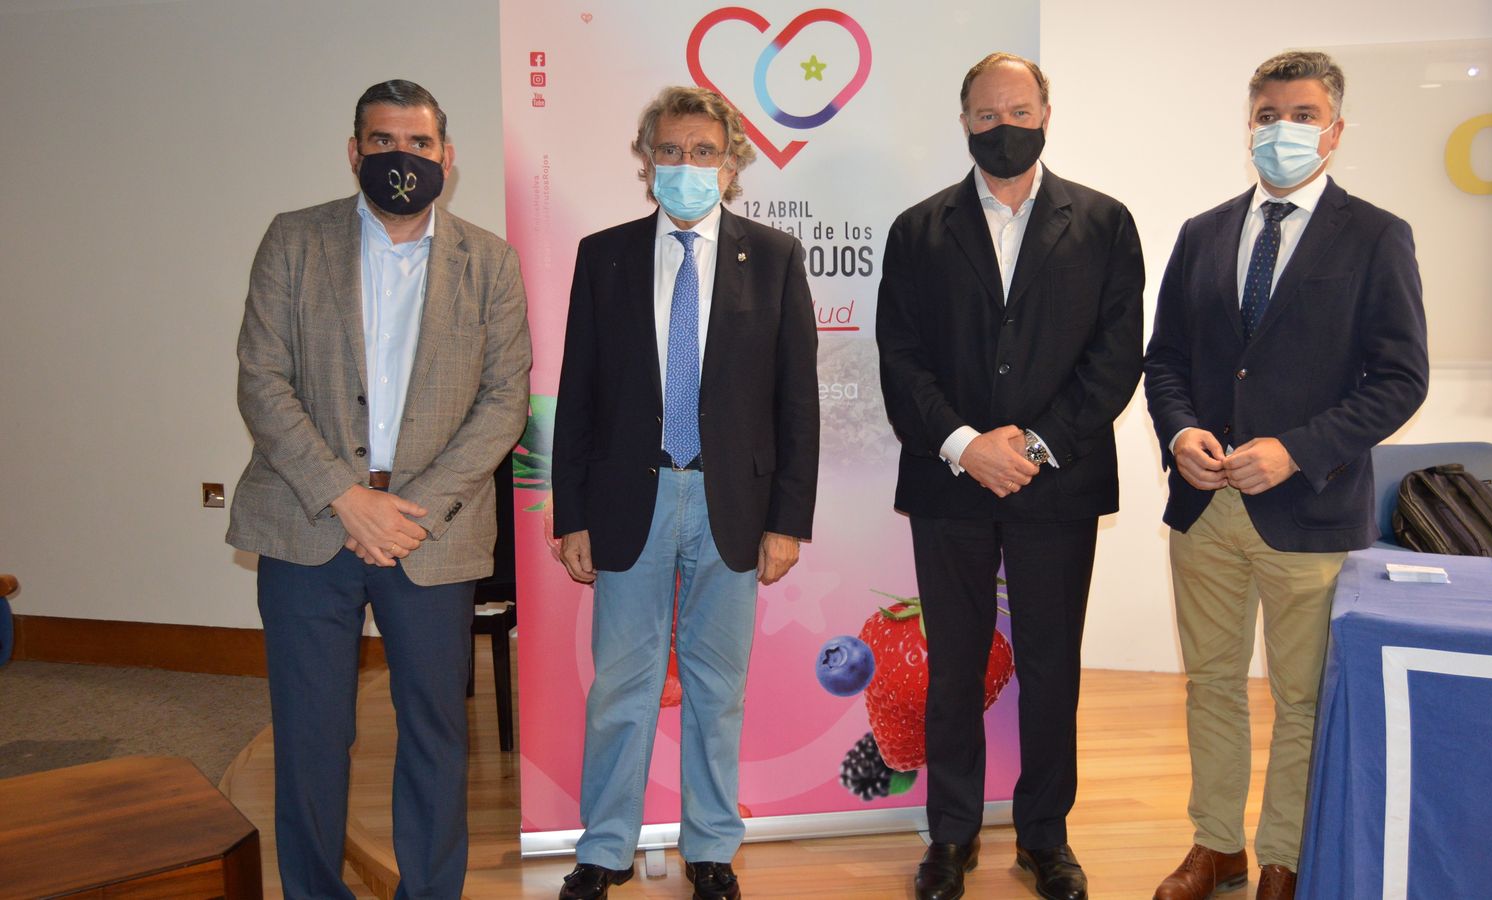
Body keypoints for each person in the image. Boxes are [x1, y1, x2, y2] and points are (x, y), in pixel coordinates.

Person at [227, 79, 532, 899]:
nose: (403, 157)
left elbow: (504, 400)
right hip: (308, 522)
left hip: (429, 533)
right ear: (355, 150)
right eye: (384, 141)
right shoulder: (294, 241)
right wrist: (344, 495)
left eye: (420, 143)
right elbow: (262, 381)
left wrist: (411, 509)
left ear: (448, 157)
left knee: (435, 733)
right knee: (311, 735)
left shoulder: (491, 263)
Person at [1143, 51, 1428, 900]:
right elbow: (1165, 362)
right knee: (1212, 688)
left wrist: (1297, 448)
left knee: (1301, 701)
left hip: (1309, 508)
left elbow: (1401, 379)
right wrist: (1182, 429)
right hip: (1205, 509)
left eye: (1301, 115)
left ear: (1334, 131)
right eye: (1267, 114)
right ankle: (1216, 845)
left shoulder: (1377, 235)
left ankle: (1283, 857)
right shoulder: (1203, 232)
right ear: (1248, 125)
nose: (1281, 131)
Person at [877, 52, 1145, 900]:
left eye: (1019, 110)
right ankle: (949, 838)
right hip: (948, 480)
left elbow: (1115, 359)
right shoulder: (917, 229)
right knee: (951, 666)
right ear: (963, 121)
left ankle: (1045, 838)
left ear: (1047, 113)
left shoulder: (1104, 222)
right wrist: (964, 443)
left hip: (1055, 485)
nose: (1004, 127)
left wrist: (1028, 447)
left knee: (1051, 665)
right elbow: (901, 360)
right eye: (988, 113)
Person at [551, 85, 820, 900]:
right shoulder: (604, 255)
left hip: (731, 504)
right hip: (629, 501)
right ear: (646, 161)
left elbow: (795, 400)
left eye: (704, 153)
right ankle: (603, 851)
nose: (686, 167)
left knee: (717, 687)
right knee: (622, 687)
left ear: (731, 164)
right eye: (670, 151)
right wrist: (572, 514)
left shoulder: (773, 258)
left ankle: (712, 849)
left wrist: (788, 521)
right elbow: (579, 393)